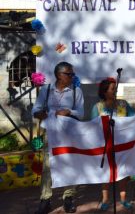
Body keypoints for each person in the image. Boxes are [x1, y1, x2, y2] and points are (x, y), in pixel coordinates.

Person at [32, 62, 84, 214]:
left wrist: (68, 111)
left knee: (70, 165)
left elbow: (80, 113)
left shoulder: (76, 91)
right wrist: (39, 113)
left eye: (72, 74)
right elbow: (36, 109)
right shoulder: (46, 90)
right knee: (48, 167)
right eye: (69, 74)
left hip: (70, 133)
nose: (72, 76)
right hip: (51, 132)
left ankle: (68, 198)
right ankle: (45, 200)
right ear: (59, 75)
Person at [91, 77, 135, 211]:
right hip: (104, 145)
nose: (115, 91)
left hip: (122, 145)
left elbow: (134, 118)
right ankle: (105, 199)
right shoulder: (97, 107)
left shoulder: (123, 103)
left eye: (116, 89)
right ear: (104, 92)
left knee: (123, 172)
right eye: (112, 89)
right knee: (105, 172)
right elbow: (92, 126)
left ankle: (123, 199)